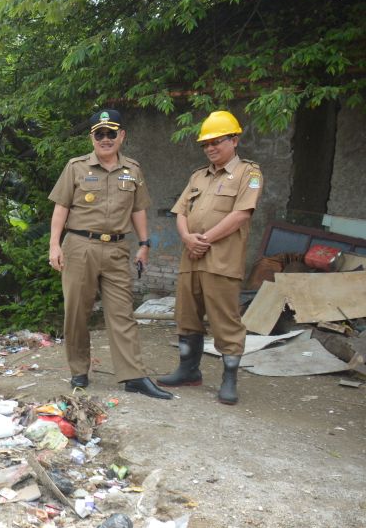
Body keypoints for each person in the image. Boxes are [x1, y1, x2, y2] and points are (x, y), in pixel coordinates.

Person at [48, 109, 173, 399]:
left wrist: (144, 244)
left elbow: (138, 209)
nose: (106, 139)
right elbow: (61, 207)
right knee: (77, 312)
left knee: (122, 313)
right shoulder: (76, 167)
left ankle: (134, 376)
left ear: (122, 136)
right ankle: (79, 371)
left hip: (117, 248)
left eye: (111, 133)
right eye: (100, 134)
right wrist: (54, 245)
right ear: (91, 137)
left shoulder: (133, 170)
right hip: (80, 246)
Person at [157, 110, 262, 404]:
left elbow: (241, 214)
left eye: (217, 141)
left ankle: (229, 380)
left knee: (225, 321)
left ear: (234, 140)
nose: (210, 148)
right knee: (186, 316)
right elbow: (181, 212)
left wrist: (204, 240)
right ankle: (188, 371)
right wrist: (187, 238)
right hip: (191, 258)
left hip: (222, 261)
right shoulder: (198, 176)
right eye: (206, 144)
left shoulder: (248, 173)